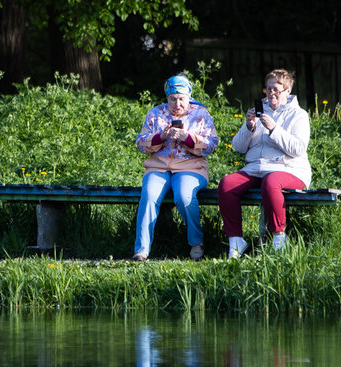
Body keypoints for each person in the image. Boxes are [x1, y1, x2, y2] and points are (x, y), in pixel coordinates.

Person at [217, 69, 312, 258]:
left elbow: (298, 148)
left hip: (289, 168)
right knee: (227, 184)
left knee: (271, 182)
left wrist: (274, 129)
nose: (271, 94)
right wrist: (249, 127)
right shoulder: (260, 112)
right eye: (268, 89)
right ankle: (236, 241)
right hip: (256, 168)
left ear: (287, 90)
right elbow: (238, 147)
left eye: (276, 89)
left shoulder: (299, 115)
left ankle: (279, 238)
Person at [133, 75, 219, 261]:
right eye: (173, 99)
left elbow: (211, 144)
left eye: (181, 99)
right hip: (158, 166)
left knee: (184, 195)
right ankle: (141, 249)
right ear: (167, 98)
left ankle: (196, 243)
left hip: (191, 167)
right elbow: (140, 143)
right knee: (149, 196)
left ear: (189, 97)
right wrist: (160, 138)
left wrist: (186, 137)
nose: (177, 104)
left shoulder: (201, 114)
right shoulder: (156, 113)